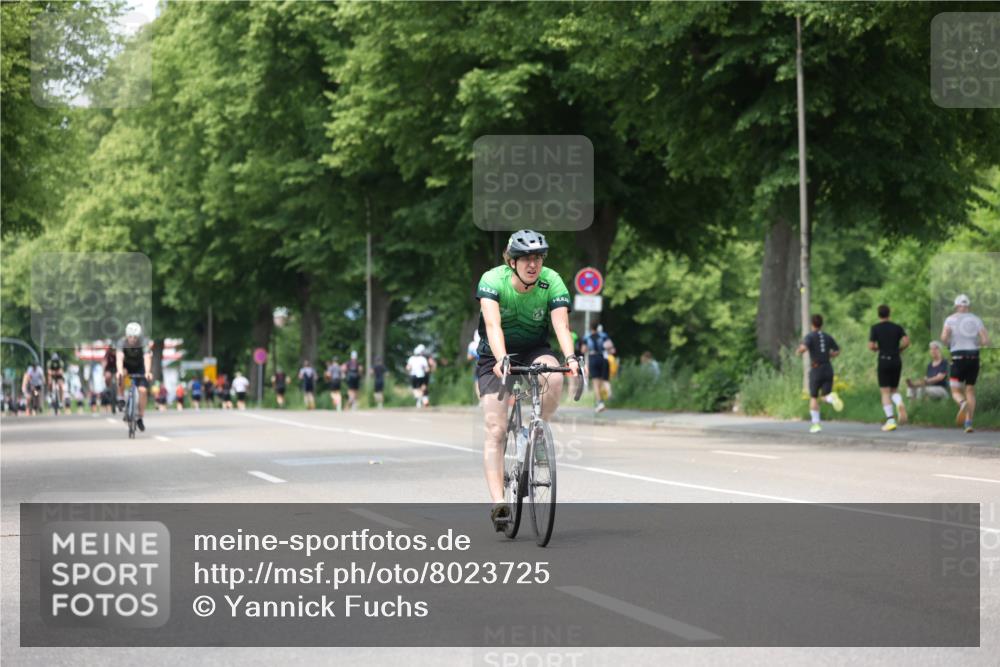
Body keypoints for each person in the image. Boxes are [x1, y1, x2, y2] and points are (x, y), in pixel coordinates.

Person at [475, 230, 577, 530]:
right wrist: (501, 358)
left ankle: (537, 434)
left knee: (553, 374)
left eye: (538, 258)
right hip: (495, 355)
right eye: (527, 259)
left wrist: (570, 358)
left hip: (534, 350)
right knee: (496, 429)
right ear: (512, 261)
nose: (534, 265)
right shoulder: (493, 281)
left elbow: (561, 324)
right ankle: (499, 504)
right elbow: (493, 325)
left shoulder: (551, 281)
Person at [942, 294, 990, 433]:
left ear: (957, 306)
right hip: (973, 358)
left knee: (956, 391)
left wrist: (950, 342)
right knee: (970, 389)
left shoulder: (950, 319)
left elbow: (944, 338)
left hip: (958, 358)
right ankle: (968, 423)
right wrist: (975, 343)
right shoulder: (976, 319)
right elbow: (985, 341)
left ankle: (962, 404)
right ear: (968, 306)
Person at [795, 314, 845, 433]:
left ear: (812, 324)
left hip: (816, 369)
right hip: (828, 368)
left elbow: (803, 348)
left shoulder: (810, 336)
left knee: (813, 397)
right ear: (822, 324)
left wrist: (798, 351)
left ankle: (816, 424)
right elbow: (837, 350)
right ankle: (830, 398)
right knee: (824, 396)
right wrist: (830, 355)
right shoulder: (828, 336)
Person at [868, 304, 910, 431]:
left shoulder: (875, 328)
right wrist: (899, 349)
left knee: (885, 392)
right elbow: (907, 341)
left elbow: (871, 346)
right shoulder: (897, 327)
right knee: (894, 389)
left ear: (878, 314)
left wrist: (878, 348)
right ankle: (899, 403)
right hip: (896, 360)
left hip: (884, 360)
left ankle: (891, 421)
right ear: (889, 313)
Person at [116, 322, 153, 431]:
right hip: (126, 366)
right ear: (127, 336)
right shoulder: (121, 342)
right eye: (130, 337)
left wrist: (147, 372)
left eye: (135, 337)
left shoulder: (144, 342)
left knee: (142, 390)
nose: (133, 339)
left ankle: (140, 417)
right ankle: (121, 398)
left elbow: (147, 357)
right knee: (121, 374)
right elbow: (119, 358)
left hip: (140, 367)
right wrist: (119, 371)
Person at [582, 323, 611, 412]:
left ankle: (600, 402)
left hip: (593, 358)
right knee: (603, 380)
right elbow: (609, 346)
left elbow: (583, 350)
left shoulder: (586, 337)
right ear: (598, 328)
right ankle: (608, 396)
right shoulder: (603, 335)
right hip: (602, 357)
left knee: (595, 383)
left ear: (591, 328)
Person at [467, 331, 482, 400]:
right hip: (486, 364)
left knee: (477, 383)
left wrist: (475, 355)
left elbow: (469, 357)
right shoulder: (485, 342)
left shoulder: (472, 345)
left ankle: (481, 400)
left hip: (477, 364)